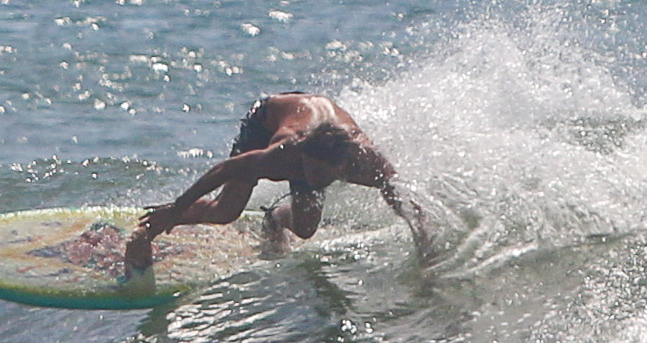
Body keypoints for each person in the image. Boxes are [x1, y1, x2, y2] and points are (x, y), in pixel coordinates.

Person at [123, 92, 428, 277]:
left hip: (322, 134)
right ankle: (147, 227)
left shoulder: (366, 164)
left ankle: (274, 217)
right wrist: (176, 209)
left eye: (321, 176)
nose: (311, 181)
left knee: (306, 229)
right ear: (303, 155)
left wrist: (425, 246)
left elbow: (401, 197)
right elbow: (223, 170)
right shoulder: (283, 154)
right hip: (267, 119)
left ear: (341, 168)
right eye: (308, 170)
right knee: (225, 211)